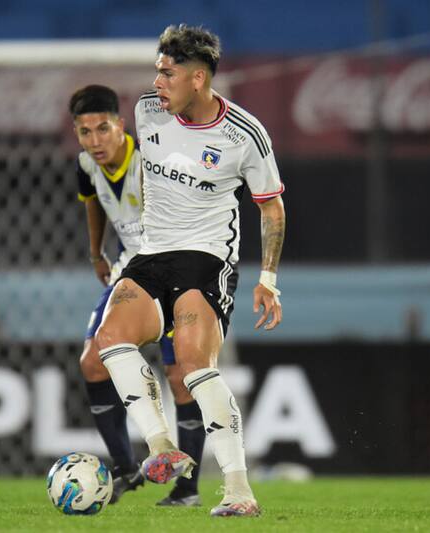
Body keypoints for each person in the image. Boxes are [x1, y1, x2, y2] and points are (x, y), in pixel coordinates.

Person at [95, 25, 285, 518]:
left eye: (168, 73)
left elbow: (272, 209)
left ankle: (239, 491)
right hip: (152, 254)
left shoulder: (244, 135)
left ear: (198, 79)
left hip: (206, 258)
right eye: (157, 71)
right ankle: (162, 449)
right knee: (109, 340)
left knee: (195, 365)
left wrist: (268, 277)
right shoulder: (146, 110)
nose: (158, 82)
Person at [70, 85, 206, 506]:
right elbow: (93, 200)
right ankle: (126, 469)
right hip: (126, 271)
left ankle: (187, 488)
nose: (95, 141)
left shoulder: (150, 160)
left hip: (168, 275)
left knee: (181, 379)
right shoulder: (86, 166)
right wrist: (96, 251)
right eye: (85, 132)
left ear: (120, 125)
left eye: (102, 129)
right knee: (93, 365)